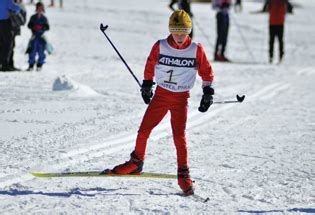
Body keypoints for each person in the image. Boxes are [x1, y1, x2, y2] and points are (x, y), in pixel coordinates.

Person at [105, 10, 215, 196]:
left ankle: (183, 174)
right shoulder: (161, 46)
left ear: (189, 32)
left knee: (179, 137)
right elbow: (150, 63)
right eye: (175, 32)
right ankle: (136, 162)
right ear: (170, 31)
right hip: (161, 96)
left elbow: (207, 72)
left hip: (180, 98)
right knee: (144, 130)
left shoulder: (196, 49)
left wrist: (208, 92)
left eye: (183, 33)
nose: (179, 37)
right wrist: (147, 84)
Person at [26, 2, 50, 71]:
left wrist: (43, 28)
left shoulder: (44, 18)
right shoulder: (33, 17)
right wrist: (33, 27)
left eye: (41, 8)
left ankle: (39, 64)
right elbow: (29, 25)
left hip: (41, 37)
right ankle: (31, 65)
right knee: (32, 51)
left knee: (41, 51)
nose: (39, 10)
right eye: (38, 8)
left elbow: (47, 27)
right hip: (34, 37)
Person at [0, 0, 20, 72]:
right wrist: (18, 5)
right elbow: (16, 8)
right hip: (5, 23)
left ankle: (3, 64)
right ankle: (5, 65)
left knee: (2, 44)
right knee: (8, 44)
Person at [8, 0, 27, 71]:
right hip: (7, 28)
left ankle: (9, 63)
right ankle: (7, 63)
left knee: (11, 46)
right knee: (8, 46)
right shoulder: (12, 4)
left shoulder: (20, 6)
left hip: (13, 29)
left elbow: (23, 20)